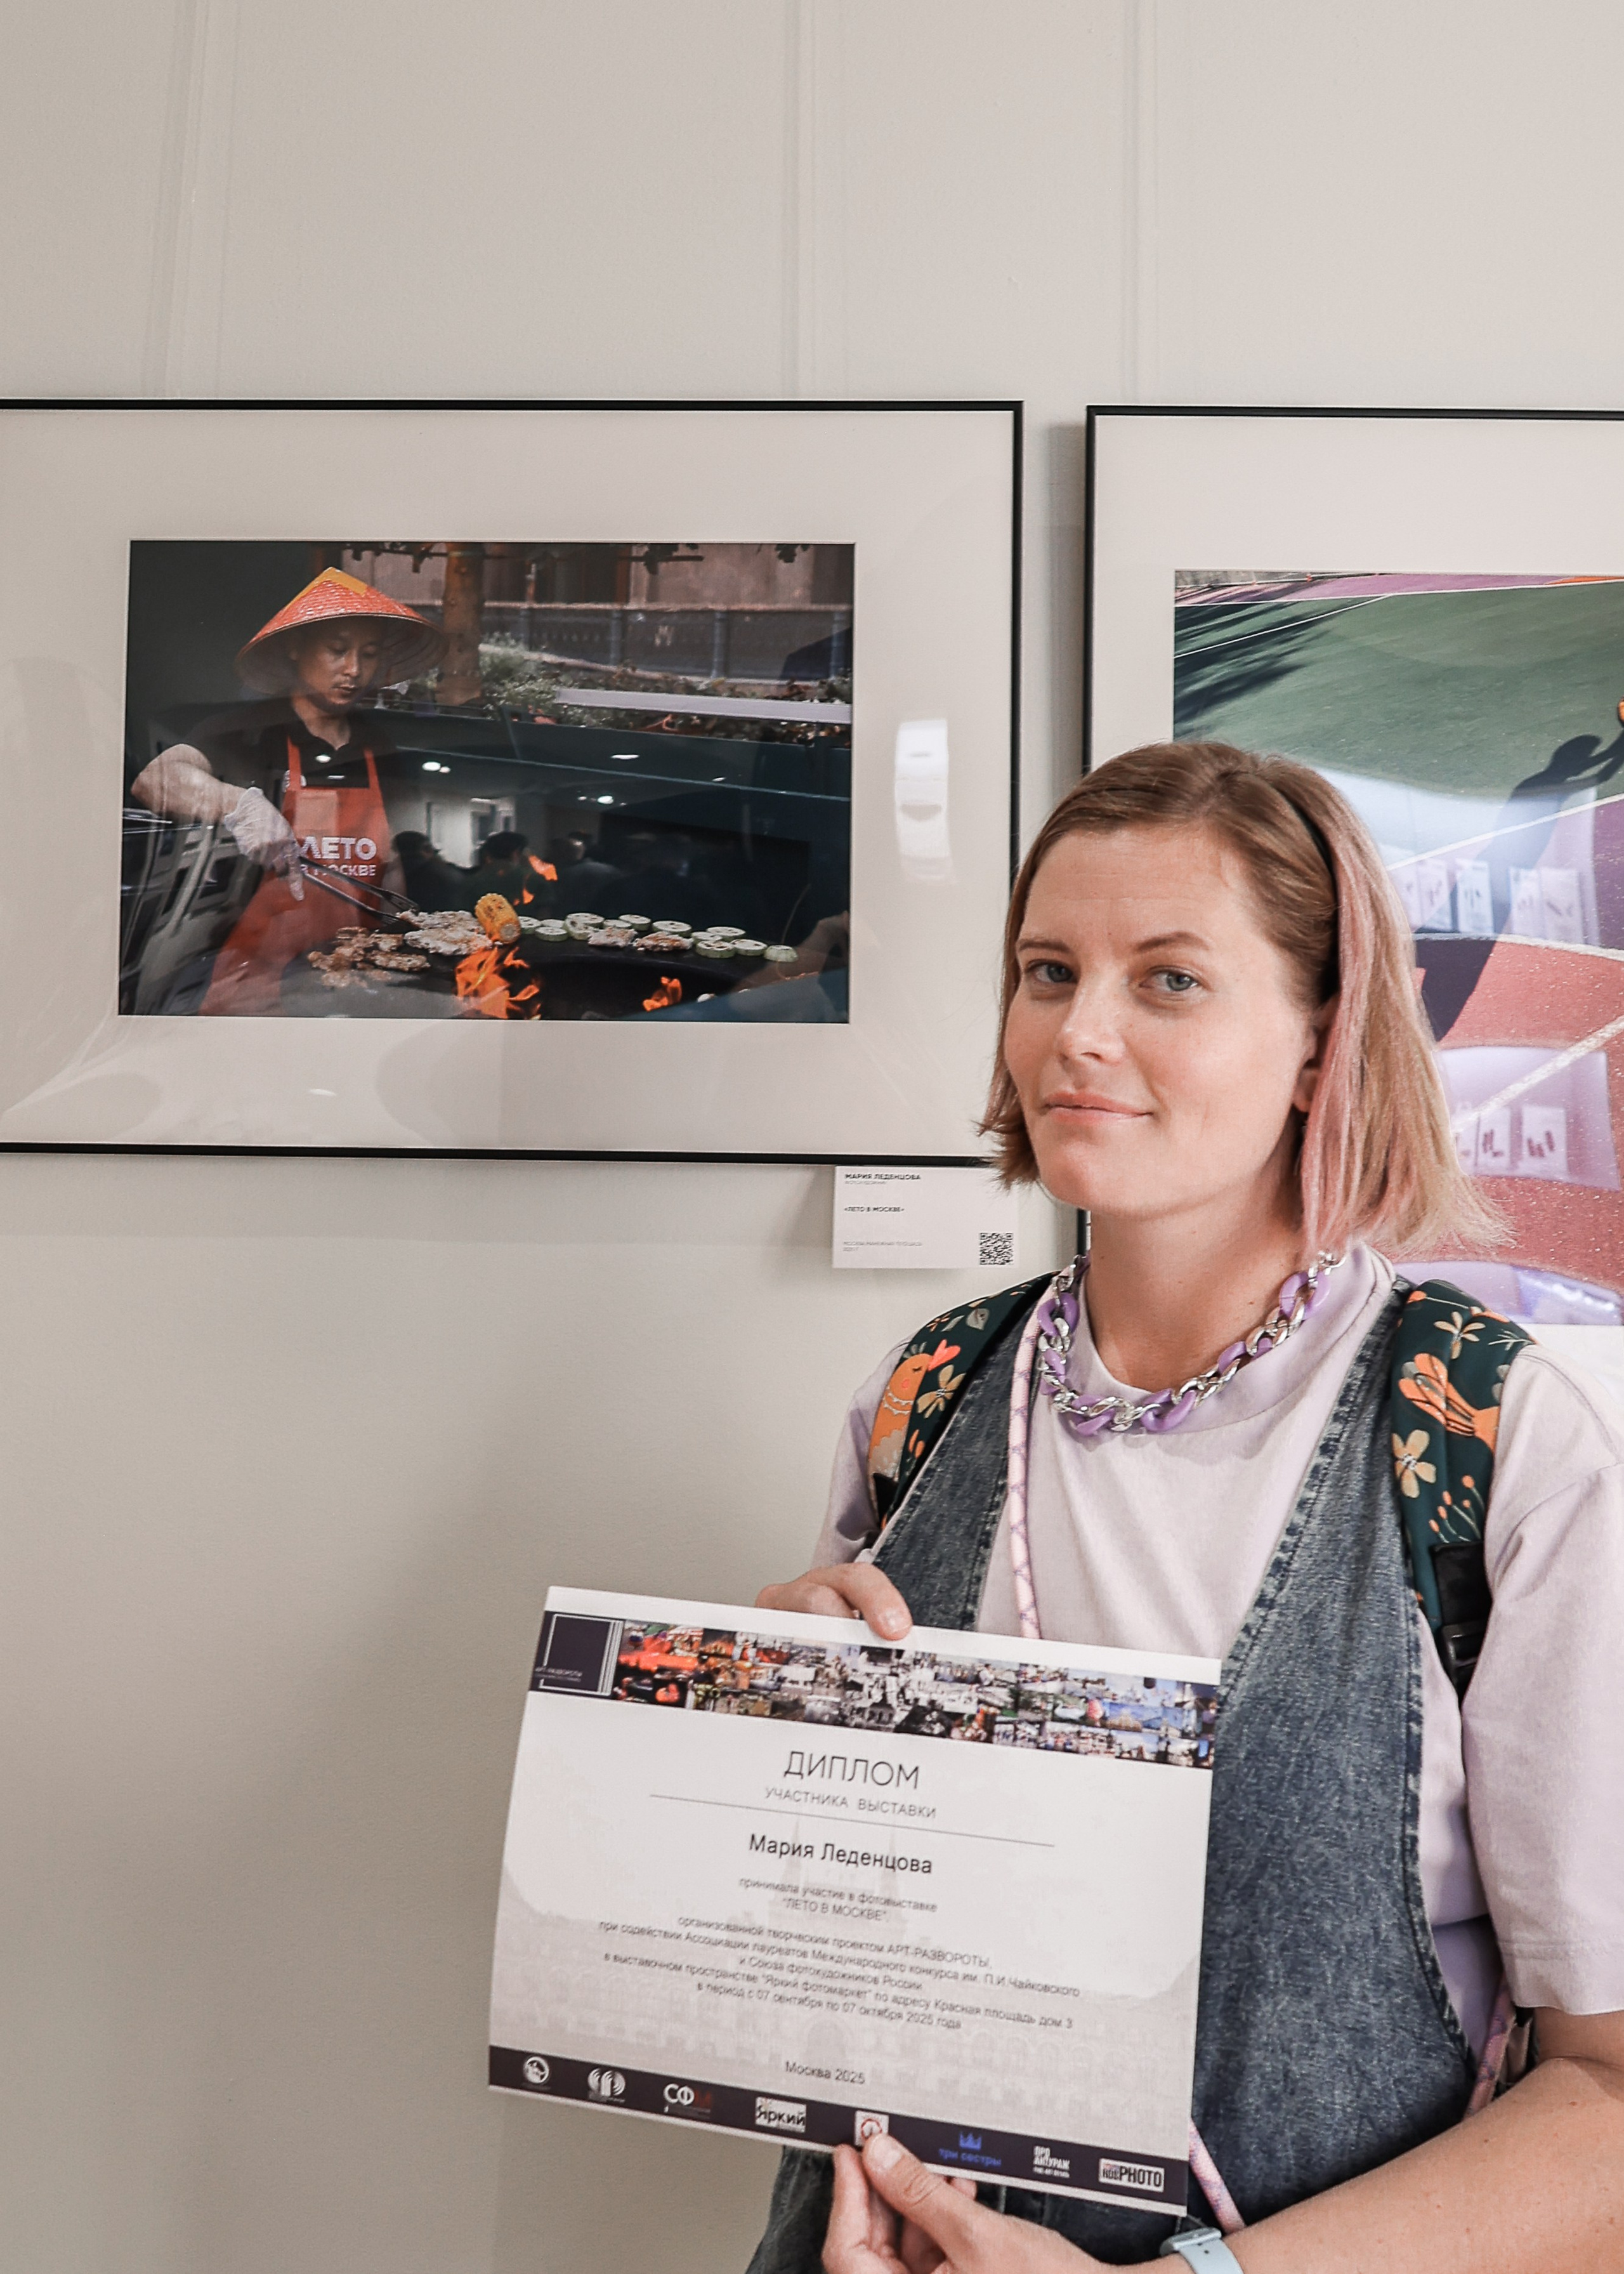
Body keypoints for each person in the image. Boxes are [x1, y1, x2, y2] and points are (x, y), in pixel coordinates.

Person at [749, 742, 1624, 2273]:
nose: (1075, 1033)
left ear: (1317, 1041)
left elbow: (1607, 2101)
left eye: (1166, 980)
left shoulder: (1494, 1445)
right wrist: (755, 1751)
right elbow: (840, 1979)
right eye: (1044, 969)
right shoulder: (927, 1392)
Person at [128, 566, 444, 1015]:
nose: (354, 670)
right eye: (337, 650)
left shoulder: (379, 745)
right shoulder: (246, 731)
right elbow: (157, 779)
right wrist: (237, 804)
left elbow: (388, 862)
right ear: (296, 647)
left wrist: (397, 946)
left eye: (369, 654)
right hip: (258, 985)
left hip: (355, 979)